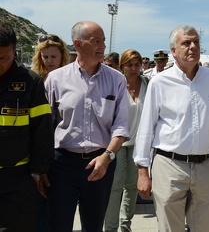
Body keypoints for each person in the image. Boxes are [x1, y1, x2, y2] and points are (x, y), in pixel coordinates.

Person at [134, 25, 209, 231]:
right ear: (174, 51)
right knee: (170, 227)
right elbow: (146, 127)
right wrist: (143, 171)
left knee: (207, 226)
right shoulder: (159, 82)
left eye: (196, 42)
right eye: (186, 43)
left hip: (206, 166)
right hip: (169, 166)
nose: (193, 47)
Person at [44, 21, 130, 232]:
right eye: (96, 41)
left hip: (101, 163)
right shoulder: (55, 79)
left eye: (103, 41)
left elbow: (121, 125)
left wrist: (107, 157)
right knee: (58, 224)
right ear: (78, 44)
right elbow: (44, 126)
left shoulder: (117, 80)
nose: (102, 46)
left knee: (93, 226)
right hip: (62, 165)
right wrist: (40, 167)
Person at [0, 25, 54, 231]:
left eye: (4, 58)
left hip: (17, 178)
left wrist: (39, 170)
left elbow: (42, 130)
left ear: (14, 51)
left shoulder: (30, 82)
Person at [104, 49, 148, 232]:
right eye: (129, 64)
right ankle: (111, 227)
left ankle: (125, 224)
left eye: (137, 64)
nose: (134, 68)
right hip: (118, 143)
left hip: (139, 143)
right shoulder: (116, 84)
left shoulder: (148, 84)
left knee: (131, 186)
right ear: (122, 66)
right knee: (115, 187)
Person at [31, 33, 69, 232]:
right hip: (39, 150)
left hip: (60, 150)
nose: (49, 61)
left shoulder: (69, 80)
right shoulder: (34, 80)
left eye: (53, 57)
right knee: (38, 206)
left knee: (56, 206)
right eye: (45, 57)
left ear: (62, 56)